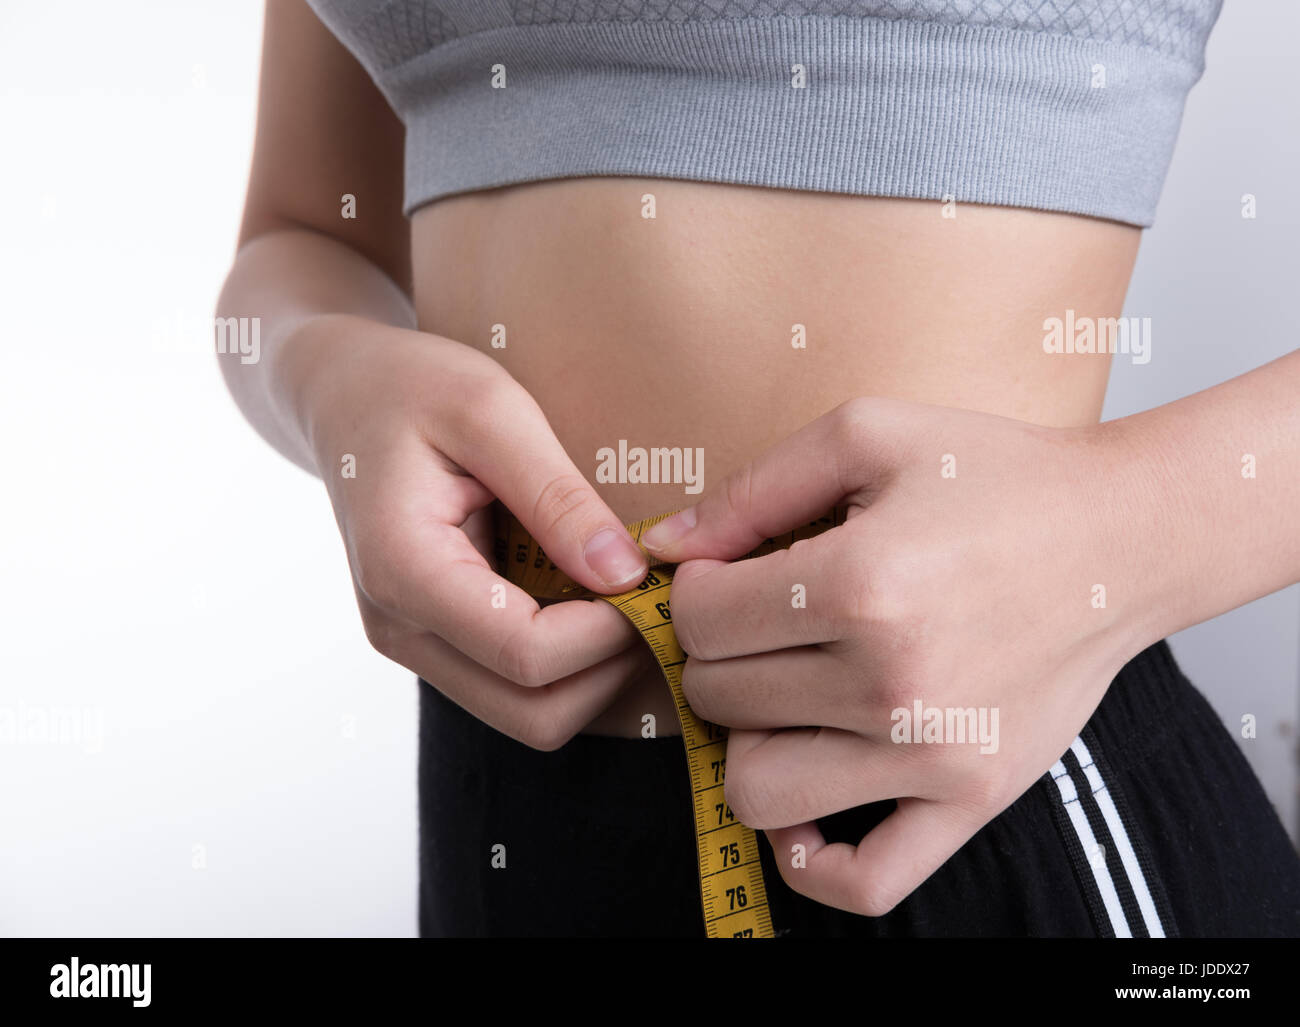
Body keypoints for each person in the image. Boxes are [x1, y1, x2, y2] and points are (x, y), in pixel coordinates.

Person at [217, 0, 1300, 937]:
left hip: (954, 796)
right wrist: (326, 379)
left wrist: (1116, 531)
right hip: (500, 805)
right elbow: (305, 235)